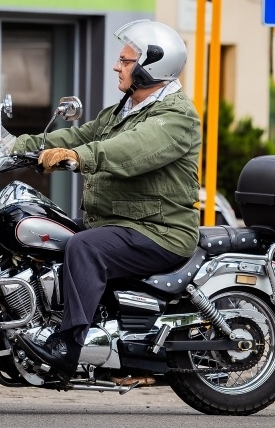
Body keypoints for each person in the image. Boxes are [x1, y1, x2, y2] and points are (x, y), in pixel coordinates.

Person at [13, 20, 201, 383]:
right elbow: (78, 133)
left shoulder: (176, 116)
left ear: (151, 67)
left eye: (126, 60)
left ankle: (67, 349)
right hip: (118, 223)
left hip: (159, 231)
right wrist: (15, 146)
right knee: (49, 233)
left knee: (86, 248)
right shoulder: (125, 108)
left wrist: (77, 156)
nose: (118, 66)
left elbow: (130, 150)